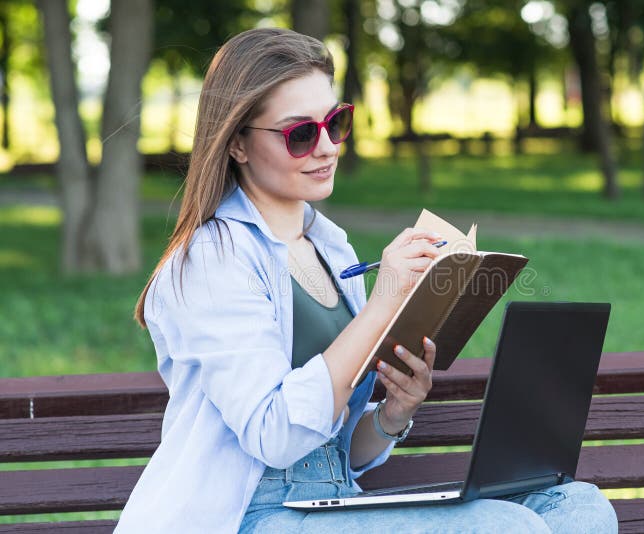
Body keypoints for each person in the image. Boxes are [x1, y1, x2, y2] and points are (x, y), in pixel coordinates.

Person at [117, 27, 617, 533]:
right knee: (508, 529)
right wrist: (384, 305)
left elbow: (336, 452)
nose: (328, 147)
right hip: (247, 516)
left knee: (578, 508)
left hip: (331, 505)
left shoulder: (330, 250)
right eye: (300, 134)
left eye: (336, 123)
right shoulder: (212, 260)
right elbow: (275, 438)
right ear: (239, 145)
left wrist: (391, 415)